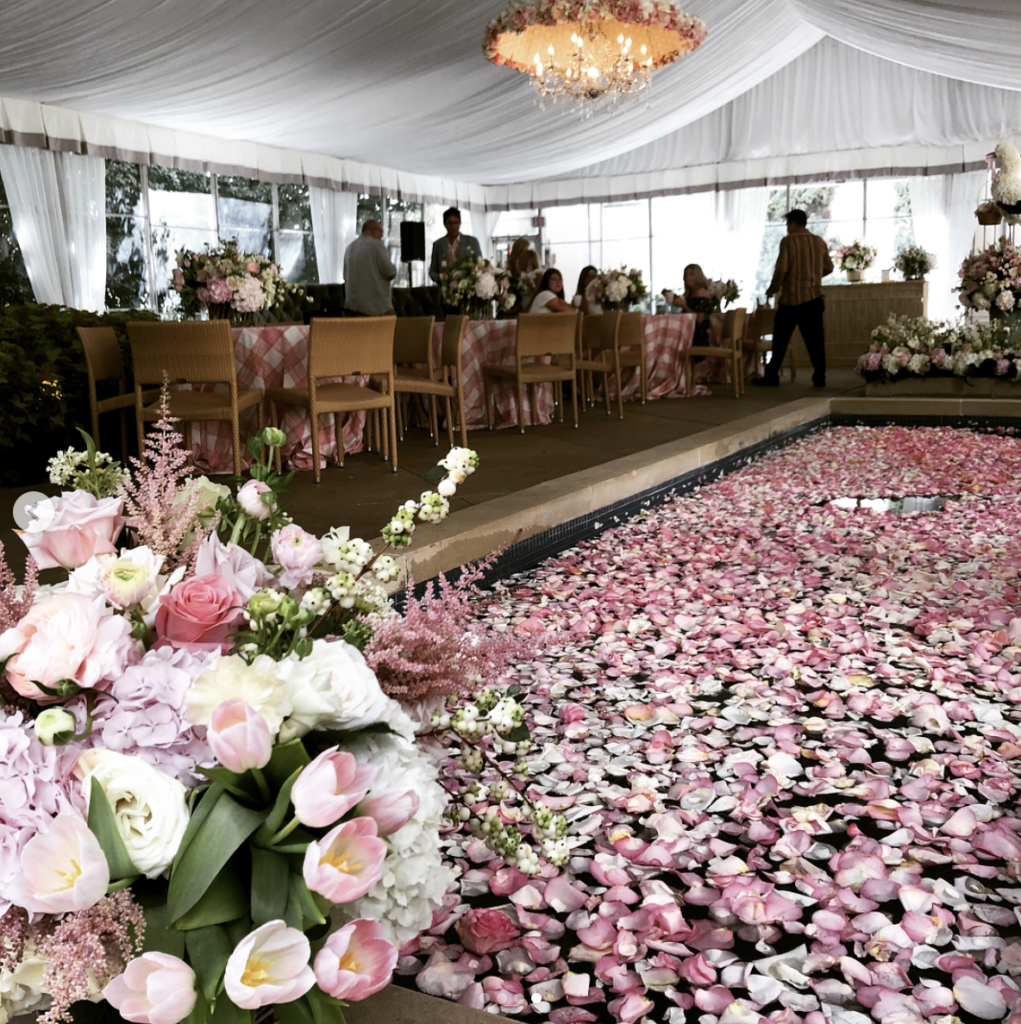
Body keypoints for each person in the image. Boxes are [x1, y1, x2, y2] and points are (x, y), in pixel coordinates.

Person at [754, 209, 834, 388]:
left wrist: (772, 289)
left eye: (787, 224)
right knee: (815, 341)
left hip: (790, 300)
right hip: (813, 298)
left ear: (792, 223)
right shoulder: (819, 241)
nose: (787, 228)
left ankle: (772, 375)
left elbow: (781, 269)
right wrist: (814, 276)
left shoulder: (788, 241)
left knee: (780, 340)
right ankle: (819, 376)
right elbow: (829, 267)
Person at [342, 219, 397, 316]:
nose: (381, 236)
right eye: (381, 232)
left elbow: (345, 276)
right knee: (395, 324)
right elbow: (390, 273)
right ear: (373, 229)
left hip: (352, 308)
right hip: (376, 308)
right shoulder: (377, 245)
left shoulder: (349, 248)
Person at [664, 264, 714, 348]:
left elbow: (699, 319)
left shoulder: (701, 292)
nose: (687, 278)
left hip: (697, 338)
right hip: (689, 334)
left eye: (691, 275)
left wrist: (683, 305)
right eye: (686, 276)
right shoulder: (691, 294)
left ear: (698, 276)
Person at [429, 207, 482, 284]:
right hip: (445, 287)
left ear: (460, 223)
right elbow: (432, 272)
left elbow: (480, 265)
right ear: (444, 224)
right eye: (450, 223)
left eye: (455, 222)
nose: (453, 226)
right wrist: (440, 277)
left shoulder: (471, 242)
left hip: (467, 286)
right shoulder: (438, 245)